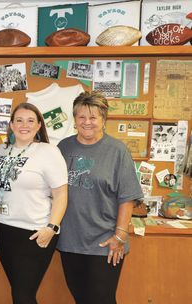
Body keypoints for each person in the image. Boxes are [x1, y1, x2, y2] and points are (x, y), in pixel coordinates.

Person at [57, 91, 143, 304]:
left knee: (101, 299)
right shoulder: (63, 148)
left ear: (103, 120)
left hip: (105, 242)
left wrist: (120, 237)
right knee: (81, 298)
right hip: (70, 241)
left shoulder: (117, 150)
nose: (87, 122)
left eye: (93, 117)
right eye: (81, 117)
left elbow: (127, 198)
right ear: (75, 119)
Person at [0, 103, 68, 304]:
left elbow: (61, 194)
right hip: (3, 229)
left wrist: (52, 227)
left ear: (38, 126)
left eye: (30, 121)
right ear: (11, 124)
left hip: (34, 233)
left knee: (22, 295)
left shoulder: (48, 152)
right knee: (19, 292)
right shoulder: (0, 150)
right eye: (19, 120)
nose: (24, 125)